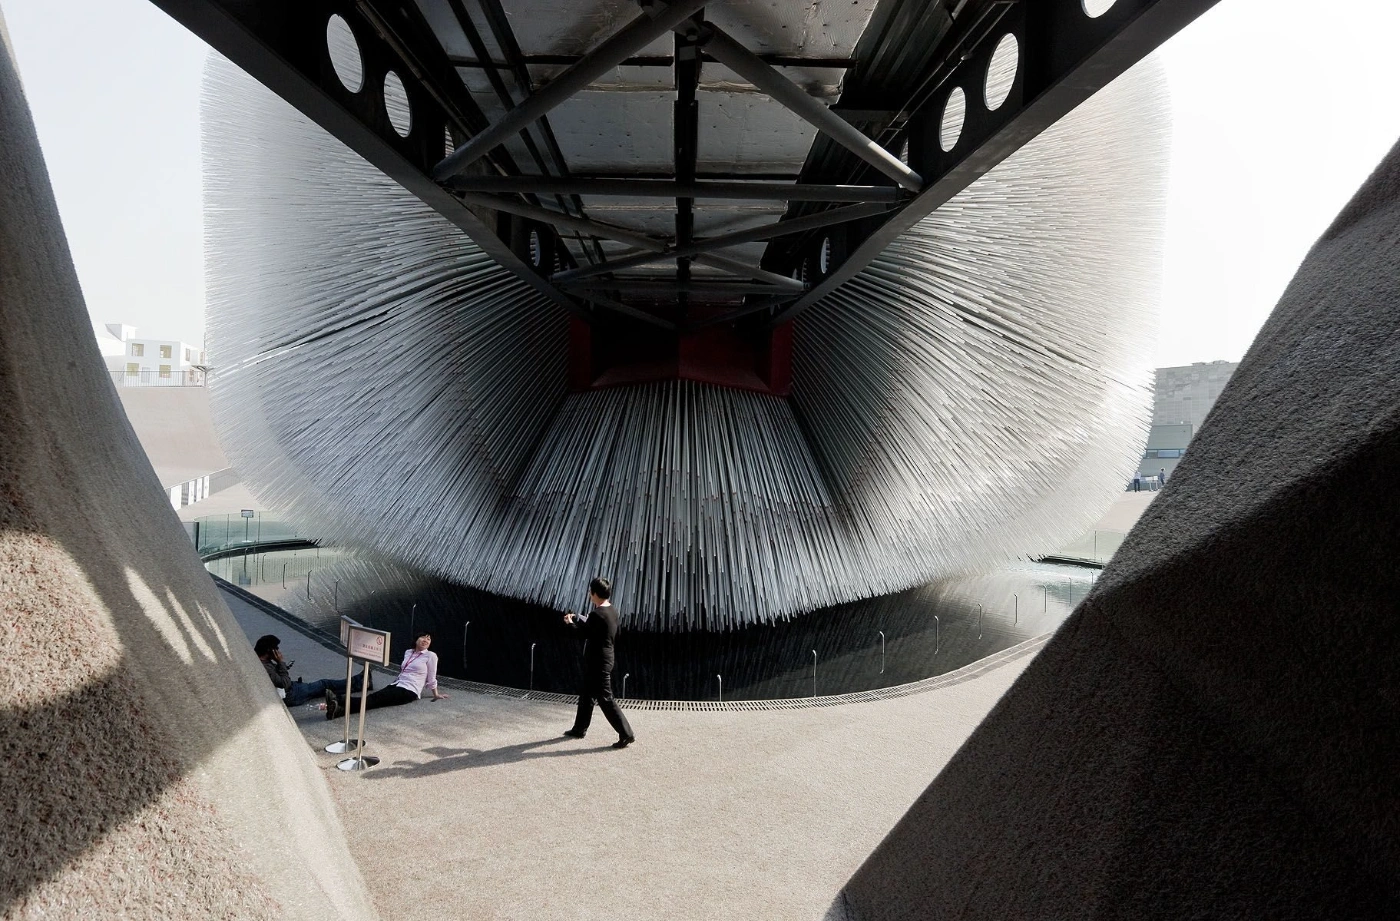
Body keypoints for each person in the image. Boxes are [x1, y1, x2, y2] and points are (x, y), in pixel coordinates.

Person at [562, 577, 636, 749]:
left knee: (605, 698)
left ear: (595, 594)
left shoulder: (596, 614)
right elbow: (609, 634)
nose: (589, 594)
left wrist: (570, 623)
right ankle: (579, 728)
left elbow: (583, 634)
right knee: (587, 693)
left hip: (598, 661)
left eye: (590, 592)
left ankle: (627, 733)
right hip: (607, 657)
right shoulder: (612, 611)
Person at [326, 632, 448, 720]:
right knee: (375, 700)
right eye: (423, 637)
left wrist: (436, 694)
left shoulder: (431, 656)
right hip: (397, 684)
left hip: (410, 690)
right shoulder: (408, 652)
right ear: (416, 639)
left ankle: (339, 699)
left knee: (374, 699)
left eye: (429, 639)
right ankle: (338, 711)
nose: (426, 640)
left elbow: (432, 676)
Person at [254, 634, 367, 707]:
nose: (278, 651)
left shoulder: (260, 661)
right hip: (291, 694)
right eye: (276, 649)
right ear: (270, 651)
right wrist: (280, 662)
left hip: (291, 691)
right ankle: (360, 682)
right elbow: (284, 683)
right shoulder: (265, 667)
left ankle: (358, 683)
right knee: (324, 684)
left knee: (321, 690)